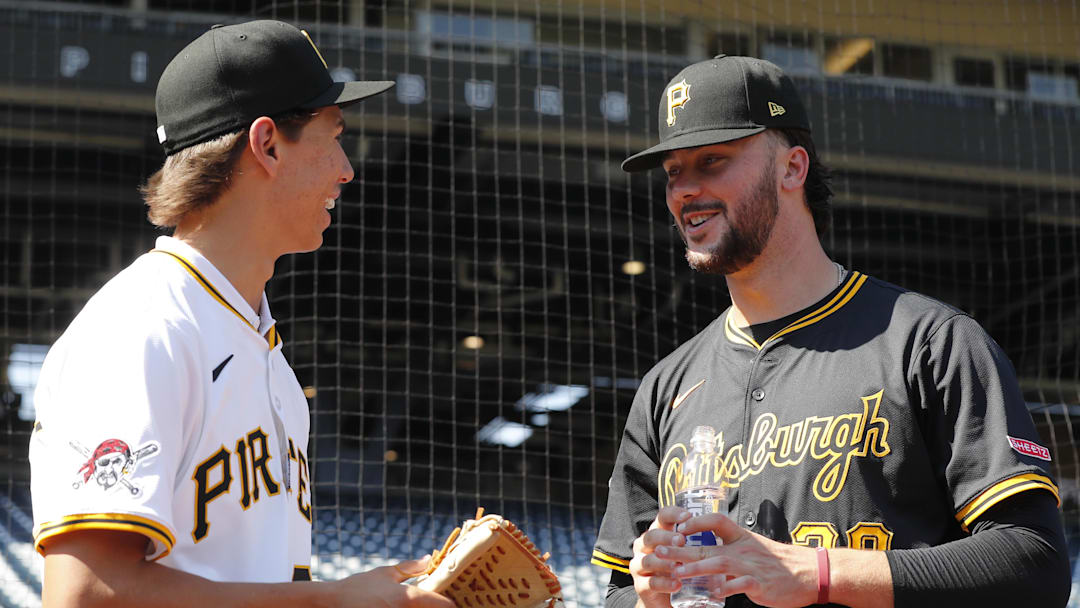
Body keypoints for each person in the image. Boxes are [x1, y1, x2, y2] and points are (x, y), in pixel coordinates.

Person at [591, 55, 1070, 608]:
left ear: (792, 168)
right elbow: (617, 591)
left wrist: (819, 572)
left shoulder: (931, 343)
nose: (684, 190)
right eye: (674, 171)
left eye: (712, 160)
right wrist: (650, 595)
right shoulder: (664, 388)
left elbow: (1034, 561)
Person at [28, 20, 452, 607]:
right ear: (268, 144)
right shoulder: (143, 328)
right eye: (333, 136)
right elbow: (86, 594)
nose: (346, 170)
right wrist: (331, 603)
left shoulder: (259, 343)